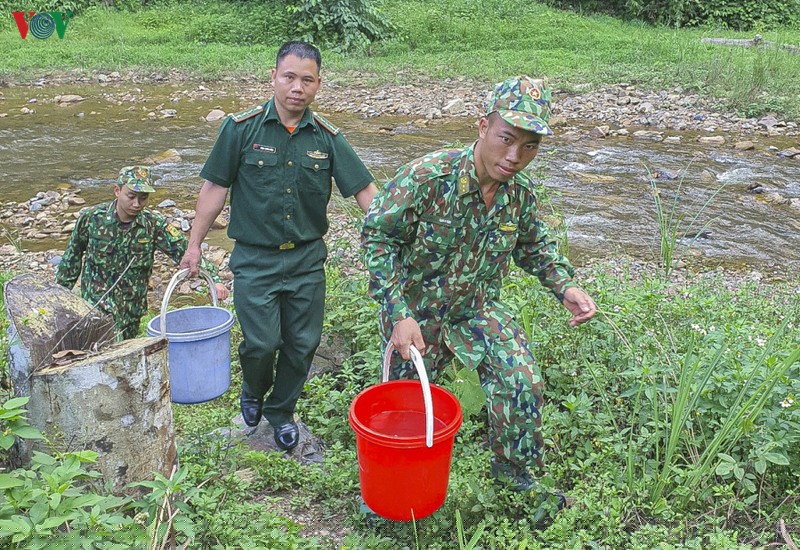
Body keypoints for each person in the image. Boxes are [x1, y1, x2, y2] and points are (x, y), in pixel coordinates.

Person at [361, 76, 597, 509]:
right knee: (403, 410)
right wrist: (398, 314)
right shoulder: (428, 177)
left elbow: (533, 246)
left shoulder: (520, 194)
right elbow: (378, 238)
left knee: (521, 382)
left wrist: (565, 287)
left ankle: (515, 480)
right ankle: (389, 496)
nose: (514, 156)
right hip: (416, 315)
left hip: (477, 309)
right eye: (507, 138)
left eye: (529, 147)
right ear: (483, 125)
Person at [180, 41, 377, 451]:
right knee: (261, 343)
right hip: (255, 258)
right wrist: (194, 245)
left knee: (302, 344)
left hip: (306, 259)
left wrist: (391, 229)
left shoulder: (327, 139)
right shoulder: (241, 129)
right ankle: (253, 390)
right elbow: (214, 187)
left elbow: (364, 191)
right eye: (289, 77)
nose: (297, 88)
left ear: (318, 85)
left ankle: (281, 411)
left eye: (307, 80)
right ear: (273, 77)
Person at [56, 165, 229, 341]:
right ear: (117, 191)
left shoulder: (153, 224)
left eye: (143, 198)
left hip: (131, 311)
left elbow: (186, 252)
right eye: (131, 197)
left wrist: (214, 280)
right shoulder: (92, 219)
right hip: (97, 307)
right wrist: (58, 297)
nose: (136, 204)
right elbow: (71, 259)